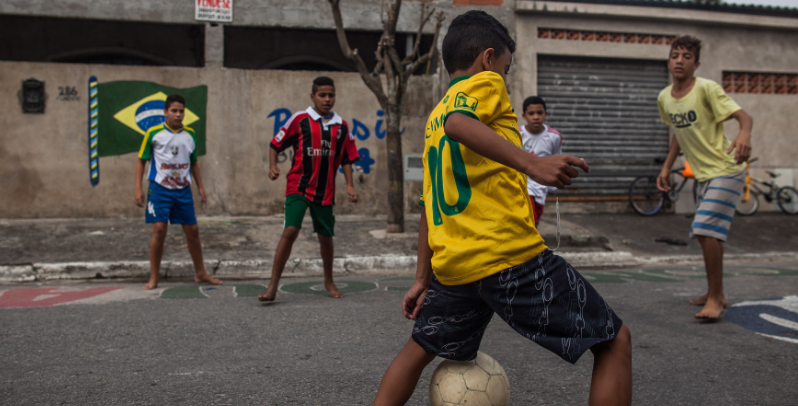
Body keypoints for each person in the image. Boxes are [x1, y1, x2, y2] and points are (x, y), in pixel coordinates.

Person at [372, 11, 632, 406]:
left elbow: (428, 203)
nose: (504, 77)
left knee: (418, 350)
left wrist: (422, 278)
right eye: (506, 68)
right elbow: (461, 123)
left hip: (456, 267)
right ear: (488, 59)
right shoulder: (485, 85)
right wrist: (534, 164)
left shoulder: (434, 117)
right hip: (506, 255)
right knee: (614, 340)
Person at [656, 36, 753, 320]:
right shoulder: (664, 97)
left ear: (696, 64)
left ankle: (715, 299)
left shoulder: (707, 89)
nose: (679, 60)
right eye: (675, 55)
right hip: (703, 175)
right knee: (712, 236)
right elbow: (677, 133)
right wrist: (666, 168)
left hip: (728, 168)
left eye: (686, 56)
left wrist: (744, 133)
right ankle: (717, 292)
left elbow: (744, 117)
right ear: (669, 60)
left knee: (703, 230)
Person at [258, 76, 359, 302]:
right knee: (290, 231)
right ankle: (272, 286)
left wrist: (350, 185)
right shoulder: (300, 119)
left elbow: (346, 158)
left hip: (325, 191)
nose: (327, 99)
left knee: (325, 237)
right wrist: (273, 166)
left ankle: (328, 280)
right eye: (322, 95)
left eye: (330, 95)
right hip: (298, 186)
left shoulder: (341, 126)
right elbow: (275, 144)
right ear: (312, 97)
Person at [134, 94, 222, 290]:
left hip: (183, 190)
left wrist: (200, 186)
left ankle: (200, 273)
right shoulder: (153, 133)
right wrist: (138, 188)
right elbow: (141, 160)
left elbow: (193, 163)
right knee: (159, 230)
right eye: (174, 110)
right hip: (159, 190)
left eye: (181, 111)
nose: (178, 114)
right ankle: (154, 277)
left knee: (193, 231)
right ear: (165, 112)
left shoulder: (190, 134)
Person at [520, 96, 562, 227]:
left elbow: (557, 159)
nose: (536, 117)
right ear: (524, 116)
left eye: (539, 113)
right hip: (523, 187)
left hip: (541, 189)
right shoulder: (517, 134)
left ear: (546, 114)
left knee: (534, 223)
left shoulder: (553, 136)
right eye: (531, 113)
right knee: (527, 222)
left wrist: (553, 183)